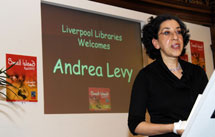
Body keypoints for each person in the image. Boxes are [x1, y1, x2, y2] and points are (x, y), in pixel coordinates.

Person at [128, 14, 208, 137]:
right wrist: (174, 127)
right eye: (167, 33)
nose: (175, 37)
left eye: (179, 32)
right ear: (156, 43)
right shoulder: (146, 76)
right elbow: (135, 125)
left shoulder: (198, 73)